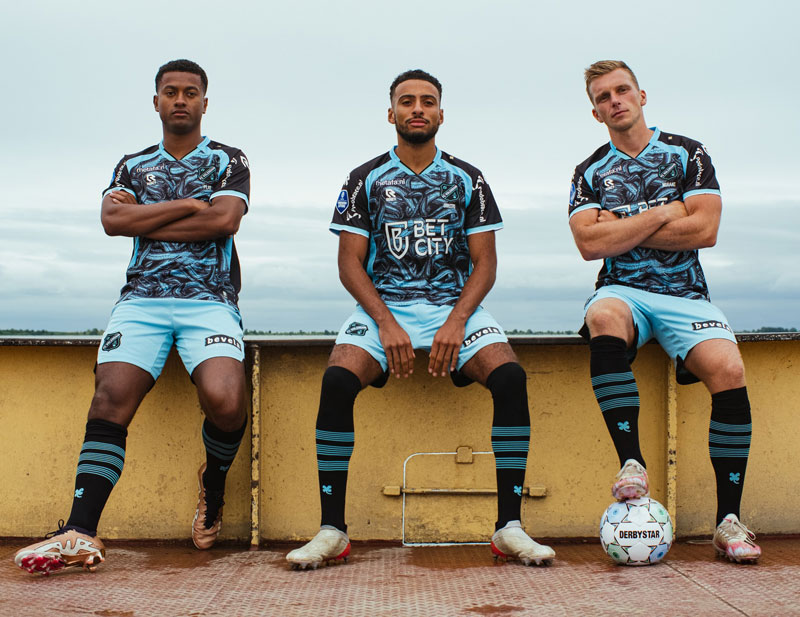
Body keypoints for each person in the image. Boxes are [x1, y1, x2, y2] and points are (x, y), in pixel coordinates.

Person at [285, 69, 554, 570]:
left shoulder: (467, 178)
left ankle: (509, 527)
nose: (417, 109)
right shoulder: (365, 178)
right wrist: (387, 323)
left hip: (456, 307)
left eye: (427, 101)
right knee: (337, 382)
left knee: (511, 378)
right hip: (384, 308)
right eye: (406, 101)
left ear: (441, 114)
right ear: (390, 113)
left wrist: (457, 321)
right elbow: (349, 264)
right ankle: (332, 531)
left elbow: (486, 263)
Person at [14, 59, 251, 574]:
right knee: (109, 399)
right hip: (141, 301)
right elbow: (111, 220)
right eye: (171, 91)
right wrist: (190, 205)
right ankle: (79, 530)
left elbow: (225, 220)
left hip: (210, 300)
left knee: (226, 401)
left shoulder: (228, 159)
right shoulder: (132, 165)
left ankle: (212, 484)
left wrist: (146, 219)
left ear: (205, 102)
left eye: (191, 92)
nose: (181, 99)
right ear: (156, 101)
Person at [568, 60, 760, 563]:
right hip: (622, 291)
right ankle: (632, 465)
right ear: (595, 112)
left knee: (729, 368)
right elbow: (589, 245)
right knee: (603, 316)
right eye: (603, 96)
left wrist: (621, 225)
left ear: (642, 95)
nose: (615, 100)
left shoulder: (687, 154)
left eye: (622, 90)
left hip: (685, 296)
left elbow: (705, 230)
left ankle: (729, 522)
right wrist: (663, 212)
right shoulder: (589, 171)